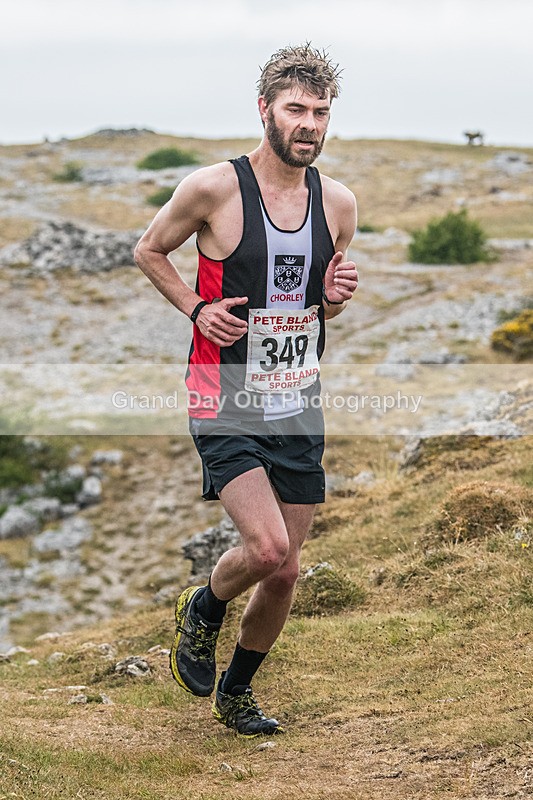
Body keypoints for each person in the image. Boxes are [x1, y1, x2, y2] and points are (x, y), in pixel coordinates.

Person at [134, 43, 358, 737]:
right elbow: (148, 249)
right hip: (222, 393)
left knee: (286, 574)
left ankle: (236, 692)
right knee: (264, 551)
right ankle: (203, 607)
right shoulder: (214, 189)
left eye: (320, 113)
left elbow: (317, 300)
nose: (309, 125)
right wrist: (196, 308)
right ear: (264, 110)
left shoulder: (338, 202)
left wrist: (333, 297)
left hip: (295, 398)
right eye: (296, 110)